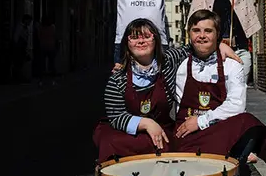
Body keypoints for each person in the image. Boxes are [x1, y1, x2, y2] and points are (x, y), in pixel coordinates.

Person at [93, 18, 241, 163]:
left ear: (156, 40)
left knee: (165, 143)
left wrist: (220, 45)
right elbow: (117, 117)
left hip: (161, 128)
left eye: (147, 36)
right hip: (130, 132)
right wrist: (146, 124)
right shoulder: (118, 78)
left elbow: (197, 45)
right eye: (134, 37)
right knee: (111, 141)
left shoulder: (168, 62)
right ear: (127, 43)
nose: (141, 41)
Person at [174, 10, 266, 176]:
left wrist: (201, 121)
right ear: (189, 34)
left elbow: (236, 105)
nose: (202, 36)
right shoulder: (178, 63)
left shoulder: (232, 65)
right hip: (187, 132)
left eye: (208, 31)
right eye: (196, 30)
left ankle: (232, 173)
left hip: (217, 130)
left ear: (218, 35)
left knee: (248, 122)